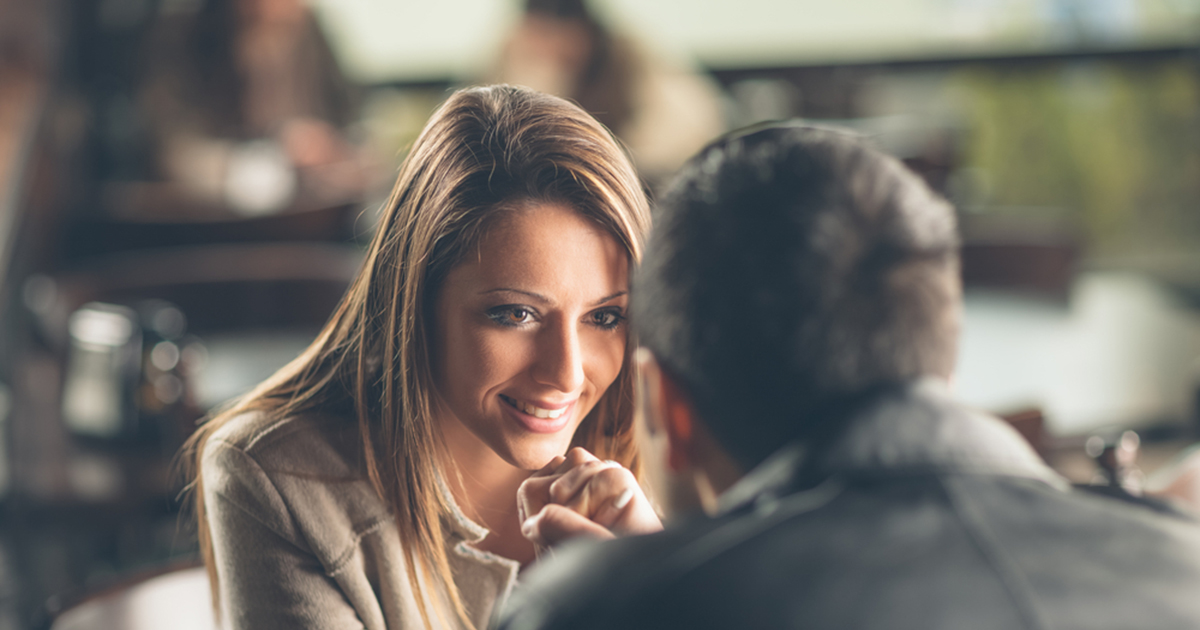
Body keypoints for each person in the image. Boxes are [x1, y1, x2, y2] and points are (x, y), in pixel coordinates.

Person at [497, 124, 1200, 629]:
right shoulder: (1182, 563)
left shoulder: (592, 609)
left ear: (666, 409)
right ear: (940, 361)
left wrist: (630, 589)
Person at [180, 85, 652, 630]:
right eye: (515, 314)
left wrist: (662, 581)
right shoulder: (278, 481)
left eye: (605, 317)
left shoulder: (668, 454)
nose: (567, 372)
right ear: (416, 301)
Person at [490, 0, 726, 187]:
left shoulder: (626, 54)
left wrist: (612, 160)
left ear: (584, 30)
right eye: (540, 34)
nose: (553, 47)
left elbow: (691, 122)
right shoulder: (509, 55)